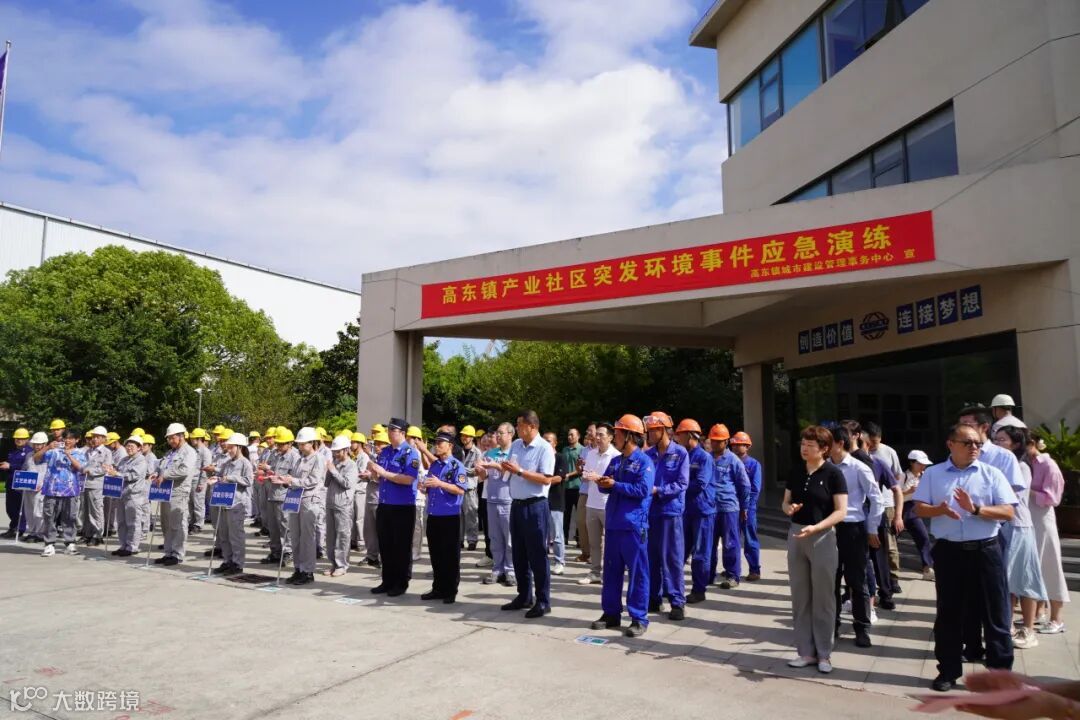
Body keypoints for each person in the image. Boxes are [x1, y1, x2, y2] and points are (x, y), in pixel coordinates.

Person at [913, 422, 1017, 692]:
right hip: (949, 552)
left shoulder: (991, 473)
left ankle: (1000, 675)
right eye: (967, 443)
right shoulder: (934, 474)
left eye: (978, 443)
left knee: (995, 614)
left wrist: (976, 509)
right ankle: (948, 671)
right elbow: (920, 508)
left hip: (986, 550)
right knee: (949, 613)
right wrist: (939, 510)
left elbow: (1008, 512)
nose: (974, 448)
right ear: (951, 444)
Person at [784, 425, 848, 674]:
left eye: (810, 445)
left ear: (824, 449)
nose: (804, 448)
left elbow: (841, 511)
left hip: (822, 537)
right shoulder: (796, 471)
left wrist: (817, 527)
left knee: (823, 598)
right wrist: (789, 509)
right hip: (796, 534)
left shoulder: (833, 474)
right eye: (803, 444)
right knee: (800, 596)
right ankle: (805, 652)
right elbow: (785, 502)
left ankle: (824, 654)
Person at [587, 414, 655, 637]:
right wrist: (601, 482)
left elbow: (642, 490)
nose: (614, 437)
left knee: (638, 574)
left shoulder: (644, 462)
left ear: (629, 436)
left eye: (617, 433)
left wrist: (615, 484)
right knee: (611, 572)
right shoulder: (616, 461)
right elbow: (606, 486)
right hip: (614, 525)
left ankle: (639, 618)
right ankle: (611, 613)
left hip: (633, 526)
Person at [994, 425, 1048, 649]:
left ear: (1015, 444)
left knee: (1025, 580)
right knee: (1005, 581)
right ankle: (1007, 626)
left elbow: (1012, 497)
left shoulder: (1021, 466)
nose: (997, 443)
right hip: (1001, 526)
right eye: (996, 440)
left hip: (1019, 527)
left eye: (1002, 440)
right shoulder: (999, 464)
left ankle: (1029, 629)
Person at [500, 409, 556, 619]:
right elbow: (510, 469)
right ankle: (524, 596)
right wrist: (504, 469)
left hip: (535, 506)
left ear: (532, 426)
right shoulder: (516, 445)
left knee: (537, 555)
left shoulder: (544, 448)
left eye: (520, 424)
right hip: (517, 504)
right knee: (519, 553)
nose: (517, 428)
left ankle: (543, 601)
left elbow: (546, 479)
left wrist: (520, 471)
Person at [830, 424, 882, 649]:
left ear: (840, 443)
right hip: (830, 529)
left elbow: (876, 498)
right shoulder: (823, 467)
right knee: (830, 580)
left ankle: (862, 628)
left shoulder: (859, 468)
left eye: (827, 443)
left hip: (854, 529)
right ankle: (831, 625)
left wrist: (872, 529)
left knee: (857, 581)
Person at [367, 418, 422, 597]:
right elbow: (379, 478)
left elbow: (408, 479)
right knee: (386, 545)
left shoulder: (410, 453)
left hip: (402, 506)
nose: (389, 433)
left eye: (393, 430)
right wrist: (373, 473)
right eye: (388, 430)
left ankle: (401, 582)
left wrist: (383, 473)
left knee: (401, 546)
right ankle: (387, 580)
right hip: (384, 504)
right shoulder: (385, 452)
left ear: (402, 433)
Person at [643, 411, 689, 620]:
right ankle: (654, 597)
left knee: (672, 558)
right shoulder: (648, 455)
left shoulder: (680, 453)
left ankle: (677, 602)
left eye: (653, 430)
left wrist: (659, 490)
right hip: (651, 512)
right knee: (652, 557)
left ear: (663, 430)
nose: (649, 434)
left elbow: (682, 483)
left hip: (670, 512)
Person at [1026, 434, 1069, 634]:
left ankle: (1057, 618)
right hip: (1028, 518)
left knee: (1050, 565)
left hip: (1042, 519)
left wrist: (1028, 491)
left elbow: (1053, 498)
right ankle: (1038, 612)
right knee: (1034, 567)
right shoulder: (1025, 463)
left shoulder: (1048, 465)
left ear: (1032, 444)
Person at [274, 427, 325, 586]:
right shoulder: (299, 459)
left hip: (309, 500)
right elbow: (294, 478)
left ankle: (307, 571)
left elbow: (313, 481)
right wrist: (284, 480)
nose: (301, 447)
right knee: (295, 536)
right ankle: (298, 568)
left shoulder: (318, 459)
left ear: (312, 443)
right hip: (295, 498)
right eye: (300, 444)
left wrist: (292, 481)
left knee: (307, 538)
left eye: (304, 444)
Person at [421, 431, 467, 603]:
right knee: (436, 554)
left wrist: (440, 483)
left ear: (450, 446)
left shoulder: (456, 466)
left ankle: (450, 590)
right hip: (434, 514)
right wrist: (424, 487)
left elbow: (460, 489)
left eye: (441, 443)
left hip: (449, 516)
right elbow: (430, 487)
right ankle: (438, 588)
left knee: (450, 556)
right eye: (436, 442)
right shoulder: (434, 465)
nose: (437, 445)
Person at [675, 419, 715, 603]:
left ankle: (699, 590)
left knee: (700, 553)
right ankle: (675, 587)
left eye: (680, 434)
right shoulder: (682, 455)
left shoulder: (704, 457)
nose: (677, 437)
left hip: (702, 511)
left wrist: (678, 487)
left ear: (691, 435)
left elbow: (700, 483)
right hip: (686, 510)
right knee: (680, 551)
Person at [708, 424, 750, 589]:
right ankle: (708, 574)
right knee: (709, 544)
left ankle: (733, 575)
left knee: (730, 543)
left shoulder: (733, 460)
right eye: (712, 440)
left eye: (718, 441)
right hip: (709, 508)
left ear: (726, 442)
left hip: (728, 508)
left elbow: (745, 485)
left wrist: (744, 507)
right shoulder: (707, 458)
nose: (714, 443)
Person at [206, 433, 254, 576]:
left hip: (236, 504)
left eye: (232, 447)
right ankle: (228, 560)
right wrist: (216, 479)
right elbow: (221, 476)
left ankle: (237, 563)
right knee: (224, 534)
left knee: (236, 535)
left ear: (239, 447)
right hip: (224, 501)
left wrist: (231, 478)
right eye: (229, 447)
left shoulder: (245, 463)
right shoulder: (227, 463)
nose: (229, 450)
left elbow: (248, 481)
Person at [152, 423, 199, 566]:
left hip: (179, 492)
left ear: (181, 436)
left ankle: (177, 554)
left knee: (177, 524)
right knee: (166, 524)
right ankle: (168, 552)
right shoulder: (170, 453)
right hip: (166, 492)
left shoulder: (189, 452)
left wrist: (165, 475)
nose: (170, 441)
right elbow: (162, 466)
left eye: (172, 438)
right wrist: (157, 473)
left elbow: (184, 470)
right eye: (169, 438)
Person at [578, 422, 619, 586]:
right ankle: (595, 572)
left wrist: (597, 477)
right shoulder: (591, 454)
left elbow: (615, 480)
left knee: (611, 542)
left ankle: (611, 572)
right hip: (592, 502)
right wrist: (586, 475)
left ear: (610, 437)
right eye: (597, 434)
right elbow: (585, 475)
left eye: (601, 434)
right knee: (594, 542)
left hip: (608, 504)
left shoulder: (616, 455)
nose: (598, 437)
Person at [865, 421, 904, 593]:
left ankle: (893, 578)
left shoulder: (888, 452)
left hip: (887, 503)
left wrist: (898, 513)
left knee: (890, 544)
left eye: (877, 442)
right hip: (868, 505)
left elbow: (897, 476)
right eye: (871, 442)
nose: (874, 446)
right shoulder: (861, 455)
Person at [36, 429, 84, 557]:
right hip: (52, 489)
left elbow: (81, 468)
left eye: (71, 438)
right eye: (65, 438)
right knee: (49, 517)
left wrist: (69, 455)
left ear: (77, 440)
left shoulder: (80, 453)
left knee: (70, 518)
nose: (67, 441)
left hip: (70, 490)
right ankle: (49, 544)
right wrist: (47, 447)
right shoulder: (53, 451)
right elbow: (36, 459)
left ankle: (70, 543)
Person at [477, 422, 515, 586]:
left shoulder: (514, 452)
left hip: (508, 500)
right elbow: (484, 477)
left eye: (501, 433)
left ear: (510, 434)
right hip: (491, 499)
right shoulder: (490, 452)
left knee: (509, 539)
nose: (497, 436)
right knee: (495, 538)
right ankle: (497, 569)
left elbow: (511, 474)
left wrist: (495, 465)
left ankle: (511, 570)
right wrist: (480, 470)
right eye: (497, 433)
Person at [259, 427, 297, 566]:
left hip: (284, 495)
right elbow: (272, 471)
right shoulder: (275, 455)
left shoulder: (294, 457)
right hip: (272, 493)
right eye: (278, 443)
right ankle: (275, 551)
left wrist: (276, 475)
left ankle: (288, 553)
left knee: (285, 526)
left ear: (290, 443)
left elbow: (294, 477)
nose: (279, 446)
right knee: (273, 526)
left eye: (282, 444)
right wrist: (267, 473)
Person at [107, 435, 149, 557]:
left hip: (134, 495)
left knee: (133, 522)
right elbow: (118, 471)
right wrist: (111, 470)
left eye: (132, 446)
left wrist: (117, 474)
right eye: (127, 446)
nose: (129, 448)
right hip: (122, 494)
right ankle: (123, 545)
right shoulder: (124, 459)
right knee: (121, 522)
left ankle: (132, 547)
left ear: (139, 448)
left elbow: (133, 476)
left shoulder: (141, 460)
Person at [324, 433, 358, 578]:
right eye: (334, 451)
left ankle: (342, 565)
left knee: (342, 536)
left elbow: (347, 483)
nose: (336, 454)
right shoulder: (335, 463)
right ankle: (333, 563)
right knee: (331, 537)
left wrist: (333, 471)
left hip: (343, 506)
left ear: (346, 450)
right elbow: (326, 483)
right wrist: (329, 471)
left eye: (338, 451)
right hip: (331, 503)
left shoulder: (351, 465)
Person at [730, 431, 762, 581]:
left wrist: (747, 507)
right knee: (732, 540)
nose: (736, 447)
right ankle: (733, 569)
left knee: (750, 539)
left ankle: (754, 569)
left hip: (748, 508)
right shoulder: (730, 461)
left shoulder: (753, 464)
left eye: (739, 445)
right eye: (734, 445)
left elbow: (755, 489)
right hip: (731, 506)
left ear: (747, 446)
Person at [900, 450, 935, 581]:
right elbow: (893, 495)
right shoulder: (903, 476)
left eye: (924, 464)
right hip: (900, 508)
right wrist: (908, 491)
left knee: (923, 537)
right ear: (911, 463)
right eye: (919, 464)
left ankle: (927, 568)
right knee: (891, 540)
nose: (923, 466)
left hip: (914, 509)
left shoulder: (924, 476)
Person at [78, 426, 112, 546]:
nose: (95, 439)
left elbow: (105, 468)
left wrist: (90, 471)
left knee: (96, 510)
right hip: (85, 483)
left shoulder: (106, 452)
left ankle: (97, 535)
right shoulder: (88, 451)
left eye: (98, 437)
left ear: (104, 439)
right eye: (94, 437)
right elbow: (82, 464)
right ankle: (87, 533)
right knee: (85, 510)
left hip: (97, 484)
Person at [0, 427, 33, 539]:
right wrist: (6, 466)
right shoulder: (13, 451)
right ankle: (13, 527)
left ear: (27, 439)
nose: (19, 440)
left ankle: (20, 529)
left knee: (20, 508)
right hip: (11, 482)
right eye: (17, 438)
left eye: (21, 438)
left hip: (21, 482)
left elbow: (27, 466)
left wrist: (11, 466)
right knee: (10, 508)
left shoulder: (29, 452)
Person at [543, 431, 568, 576]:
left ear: (555, 443)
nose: (546, 443)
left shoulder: (560, 457)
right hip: (541, 499)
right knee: (542, 533)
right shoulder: (541, 457)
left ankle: (559, 561)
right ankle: (543, 561)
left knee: (557, 534)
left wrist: (541, 480)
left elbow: (559, 477)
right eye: (544, 440)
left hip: (556, 500)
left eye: (549, 441)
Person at [19, 432, 49, 542]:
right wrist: (20, 481)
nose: (37, 446)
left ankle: (40, 533)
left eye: (39, 444)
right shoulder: (29, 455)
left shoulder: (49, 455)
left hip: (41, 488)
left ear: (45, 444)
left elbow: (50, 472)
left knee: (39, 511)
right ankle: (32, 532)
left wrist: (44, 484)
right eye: (35, 444)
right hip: (29, 487)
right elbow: (24, 468)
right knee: (29, 510)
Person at [458, 425, 482, 551]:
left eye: (467, 435)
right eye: (463, 435)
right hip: (458, 487)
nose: (464, 437)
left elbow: (476, 471)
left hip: (470, 488)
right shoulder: (459, 450)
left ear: (472, 437)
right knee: (459, 516)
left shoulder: (477, 452)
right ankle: (459, 540)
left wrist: (461, 468)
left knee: (471, 515)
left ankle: (472, 540)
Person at [560, 428, 585, 549]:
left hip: (577, 486)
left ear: (578, 436)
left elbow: (581, 469)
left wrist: (569, 475)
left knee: (579, 515)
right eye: (568, 435)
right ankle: (564, 537)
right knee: (566, 513)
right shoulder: (564, 449)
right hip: (566, 486)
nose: (569, 437)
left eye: (572, 435)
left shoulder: (582, 450)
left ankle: (579, 539)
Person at [576, 423, 597, 563]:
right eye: (587, 430)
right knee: (581, 522)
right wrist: (579, 466)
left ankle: (595, 555)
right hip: (584, 490)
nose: (588, 432)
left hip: (597, 491)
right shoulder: (584, 450)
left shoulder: (603, 450)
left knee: (594, 524)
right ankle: (585, 552)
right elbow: (580, 471)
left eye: (591, 430)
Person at [189, 428, 214, 538]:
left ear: (199, 439)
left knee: (198, 502)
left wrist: (202, 483)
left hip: (199, 480)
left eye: (193, 438)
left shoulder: (205, 452)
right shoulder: (194, 450)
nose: (191, 440)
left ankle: (198, 524)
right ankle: (192, 522)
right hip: (191, 479)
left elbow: (206, 469)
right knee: (191, 503)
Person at [103, 431, 124, 537]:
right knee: (109, 506)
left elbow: (121, 468)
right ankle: (109, 526)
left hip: (117, 480)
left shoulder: (122, 452)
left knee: (114, 506)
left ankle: (112, 527)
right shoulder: (113, 451)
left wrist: (111, 468)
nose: (108, 446)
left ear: (115, 442)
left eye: (109, 444)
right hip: (112, 479)